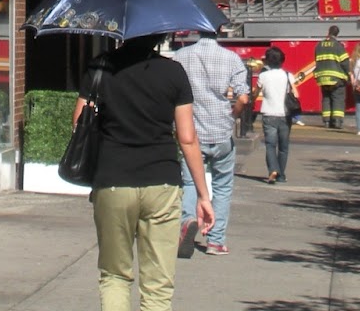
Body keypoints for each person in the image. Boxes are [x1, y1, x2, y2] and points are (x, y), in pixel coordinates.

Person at [73, 34, 214, 311]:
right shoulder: (173, 72)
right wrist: (203, 195)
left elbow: (79, 125)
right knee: (158, 285)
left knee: (114, 275)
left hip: (113, 179)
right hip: (162, 182)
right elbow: (187, 138)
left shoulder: (100, 67)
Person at [172, 28, 252, 257]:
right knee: (223, 186)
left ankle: (187, 221)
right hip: (221, 132)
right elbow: (243, 98)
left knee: (190, 183)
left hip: (192, 133)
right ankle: (216, 241)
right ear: (218, 33)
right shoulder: (232, 58)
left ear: (197, 31)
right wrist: (232, 116)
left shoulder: (181, 57)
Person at [256, 44, 294, 183]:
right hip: (285, 115)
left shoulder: (263, 76)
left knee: (270, 145)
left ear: (267, 61)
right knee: (283, 147)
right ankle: (281, 175)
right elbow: (295, 93)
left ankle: (273, 169)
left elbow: (256, 92)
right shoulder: (288, 75)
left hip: (268, 114)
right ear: (282, 60)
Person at [313, 24, 350, 129]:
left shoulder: (319, 45)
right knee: (338, 98)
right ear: (337, 34)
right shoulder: (338, 46)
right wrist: (349, 74)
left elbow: (317, 61)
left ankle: (326, 122)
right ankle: (337, 121)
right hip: (336, 78)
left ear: (328, 32)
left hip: (322, 78)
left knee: (326, 98)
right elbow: (345, 62)